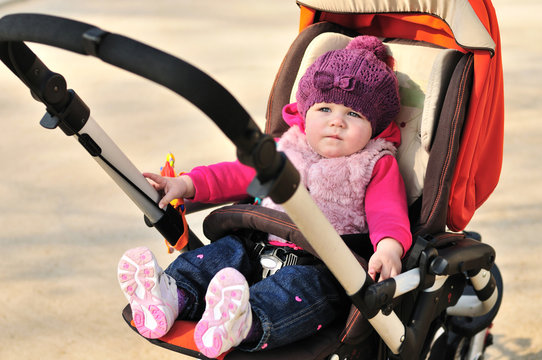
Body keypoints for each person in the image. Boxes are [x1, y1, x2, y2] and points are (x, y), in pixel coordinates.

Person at [117, 35, 412, 358]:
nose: (336, 121)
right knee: (219, 255)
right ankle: (172, 297)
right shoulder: (287, 148)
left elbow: (389, 212)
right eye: (324, 108)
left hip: (321, 266)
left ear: (376, 126)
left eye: (354, 114)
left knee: (293, 292)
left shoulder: (374, 163)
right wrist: (186, 184)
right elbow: (235, 174)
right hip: (256, 242)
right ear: (304, 112)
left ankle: (242, 322)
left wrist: (388, 248)